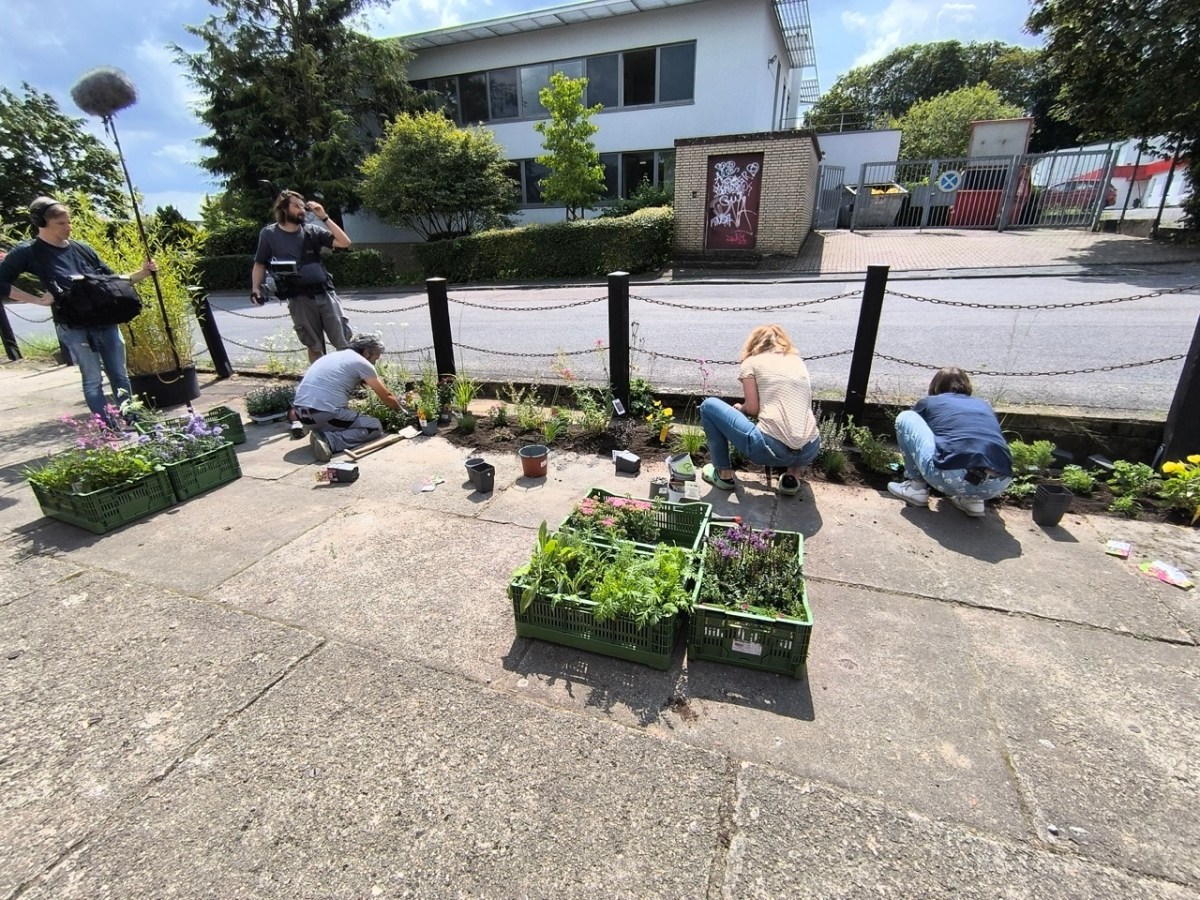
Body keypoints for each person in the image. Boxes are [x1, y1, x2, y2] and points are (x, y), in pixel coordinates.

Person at [0, 196, 156, 426]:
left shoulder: (83, 248)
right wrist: (38, 300)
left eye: (69, 222)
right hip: (74, 326)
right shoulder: (29, 252)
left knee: (120, 375)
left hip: (105, 319)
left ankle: (133, 419)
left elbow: (112, 280)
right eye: (61, 224)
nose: (68, 227)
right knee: (92, 379)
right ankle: (108, 428)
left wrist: (142, 273)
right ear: (41, 223)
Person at [698, 323, 820, 497]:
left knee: (708, 406)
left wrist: (741, 408)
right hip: (810, 450)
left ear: (754, 344)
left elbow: (753, 408)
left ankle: (723, 474)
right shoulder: (797, 361)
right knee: (797, 418)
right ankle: (792, 477)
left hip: (769, 451)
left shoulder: (751, 363)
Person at [887, 367, 1013, 517]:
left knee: (907, 417)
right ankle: (974, 501)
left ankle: (916, 488)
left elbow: (921, 434)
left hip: (951, 478)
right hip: (998, 483)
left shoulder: (929, 402)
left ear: (935, 386)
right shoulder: (984, 405)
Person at [251, 190, 352, 363]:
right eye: (296, 206)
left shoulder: (312, 230)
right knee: (314, 345)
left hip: (325, 294)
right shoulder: (269, 234)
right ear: (283, 208)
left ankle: (347, 379)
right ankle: (320, 382)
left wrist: (324, 217)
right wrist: (255, 289)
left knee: (342, 342)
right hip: (299, 298)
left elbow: (345, 242)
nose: (302, 210)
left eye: (302, 206)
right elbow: (259, 264)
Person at [292, 335, 406, 462]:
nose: (374, 363)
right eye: (375, 358)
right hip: (323, 414)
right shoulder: (362, 363)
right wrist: (404, 414)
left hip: (301, 414)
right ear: (367, 353)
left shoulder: (333, 356)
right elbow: (387, 397)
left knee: (347, 416)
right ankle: (329, 440)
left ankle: (319, 430)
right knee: (374, 427)